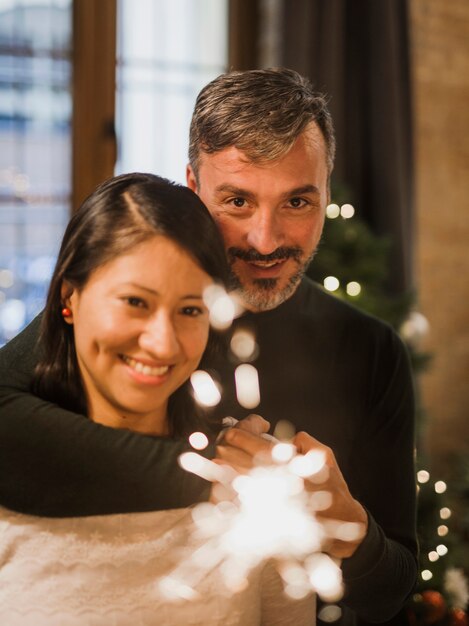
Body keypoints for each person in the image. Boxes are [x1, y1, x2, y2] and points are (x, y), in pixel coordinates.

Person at [0, 68, 417, 625]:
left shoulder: (372, 351)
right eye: (238, 201)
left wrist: (349, 529)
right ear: (193, 189)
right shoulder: (122, 323)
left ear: (326, 192)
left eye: (298, 203)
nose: (265, 241)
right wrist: (221, 480)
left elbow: (390, 596)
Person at [0, 172, 316, 625]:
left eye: (190, 310)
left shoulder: (260, 488)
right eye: (135, 302)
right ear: (69, 297)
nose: (163, 344)